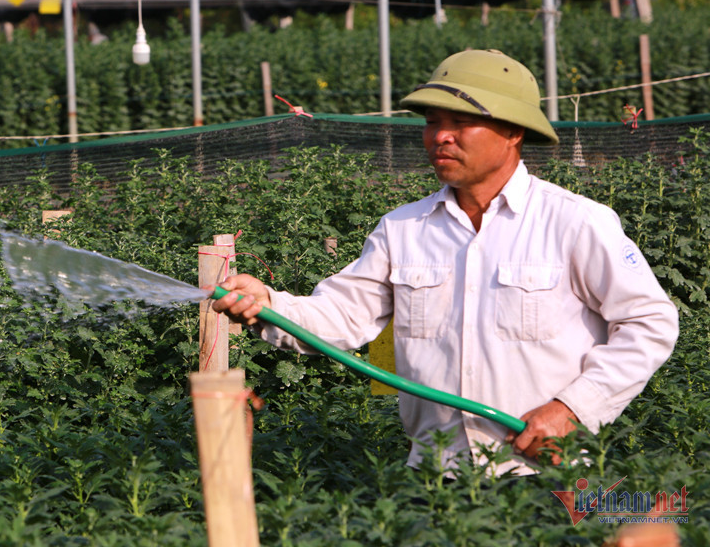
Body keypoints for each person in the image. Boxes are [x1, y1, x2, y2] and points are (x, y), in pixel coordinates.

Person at [211, 49, 678, 476]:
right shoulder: (404, 229)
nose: (441, 137)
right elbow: (341, 315)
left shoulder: (575, 223)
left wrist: (570, 408)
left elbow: (650, 324)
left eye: (460, 122)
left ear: (514, 131)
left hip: (541, 473)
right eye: (433, 122)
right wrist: (268, 302)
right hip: (435, 476)